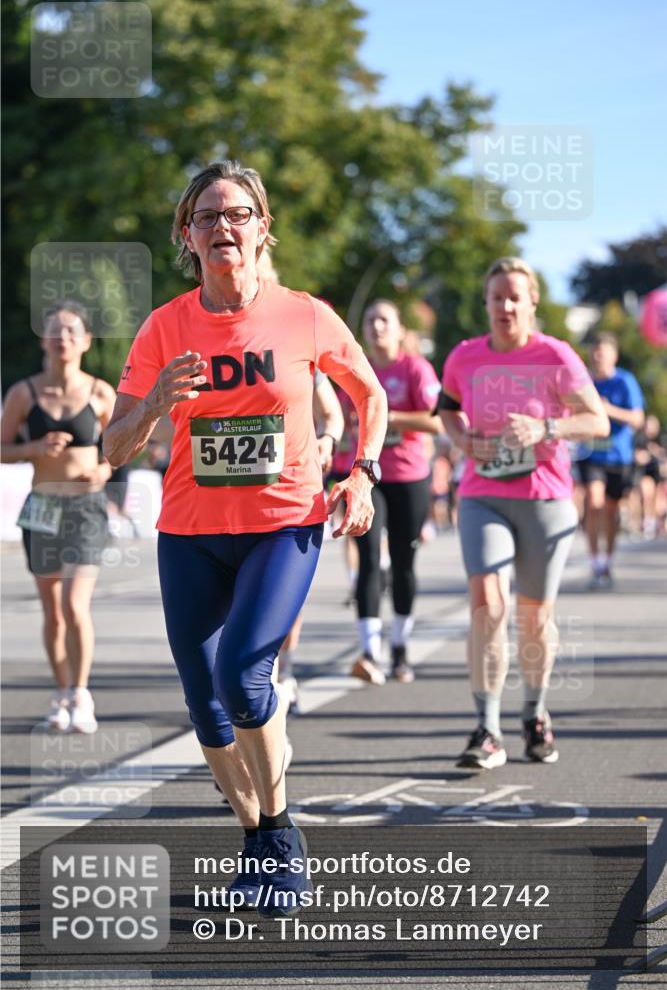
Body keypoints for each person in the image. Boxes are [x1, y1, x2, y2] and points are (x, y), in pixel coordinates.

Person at [103, 160, 386, 918]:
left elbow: (370, 394)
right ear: (185, 237)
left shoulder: (305, 315)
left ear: (262, 227)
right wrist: (155, 404)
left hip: (281, 525)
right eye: (205, 217)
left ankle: (282, 828)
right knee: (206, 708)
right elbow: (111, 447)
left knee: (243, 678)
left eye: (236, 214)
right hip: (190, 532)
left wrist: (360, 474)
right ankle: (257, 838)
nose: (221, 228)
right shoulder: (164, 326)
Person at [438, 257, 609, 769]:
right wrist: (461, 437)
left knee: (535, 619)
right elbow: (446, 406)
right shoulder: (464, 357)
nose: (506, 306)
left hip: (545, 498)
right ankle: (487, 728)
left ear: (532, 302)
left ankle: (534, 712)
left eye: (515, 297)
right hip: (482, 494)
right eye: (497, 297)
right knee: (488, 603)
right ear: (486, 303)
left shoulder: (555, 355)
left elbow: (596, 420)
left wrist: (547, 430)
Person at [0, 301, 116, 733]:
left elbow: (124, 443)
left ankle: (81, 694)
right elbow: (1, 447)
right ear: (43, 340)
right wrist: (32, 449)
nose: (62, 338)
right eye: (55, 331)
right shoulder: (24, 393)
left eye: (71, 331)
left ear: (85, 341)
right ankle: (61, 692)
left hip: (86, 507)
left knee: (73, 602)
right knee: (52, 610)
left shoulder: (101, 393)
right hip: (43, 505)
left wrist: (105, 469)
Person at [350, 299, 442, 686]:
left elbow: (437, 421)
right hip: (366, 476)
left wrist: (385, 414)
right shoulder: (354, 368)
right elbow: (337, 417)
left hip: (408, 474)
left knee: (404, 561)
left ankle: (400, 647)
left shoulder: (414, 368)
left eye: (384, 320)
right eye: (370, 320)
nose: (377, 327)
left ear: (400, 328)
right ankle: (370, 651)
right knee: (369, 558)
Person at [276, 367, 345, 715]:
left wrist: (328, 439)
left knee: (285, 598)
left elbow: (332, 413)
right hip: (224, 502)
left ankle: (283, 670)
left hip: (290, 496)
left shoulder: (296, 346)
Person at [576, 333, 645, 587]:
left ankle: (608, 560)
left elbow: (638, 419)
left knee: (611, 511)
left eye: (602, 353)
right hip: (591, 454)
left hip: (619, 457)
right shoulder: (584, 383)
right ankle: (595, 564)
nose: (597, 357)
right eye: (594, 353)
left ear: (613, 356)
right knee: (594, 503)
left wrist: (608, 410)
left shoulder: (625, 381)